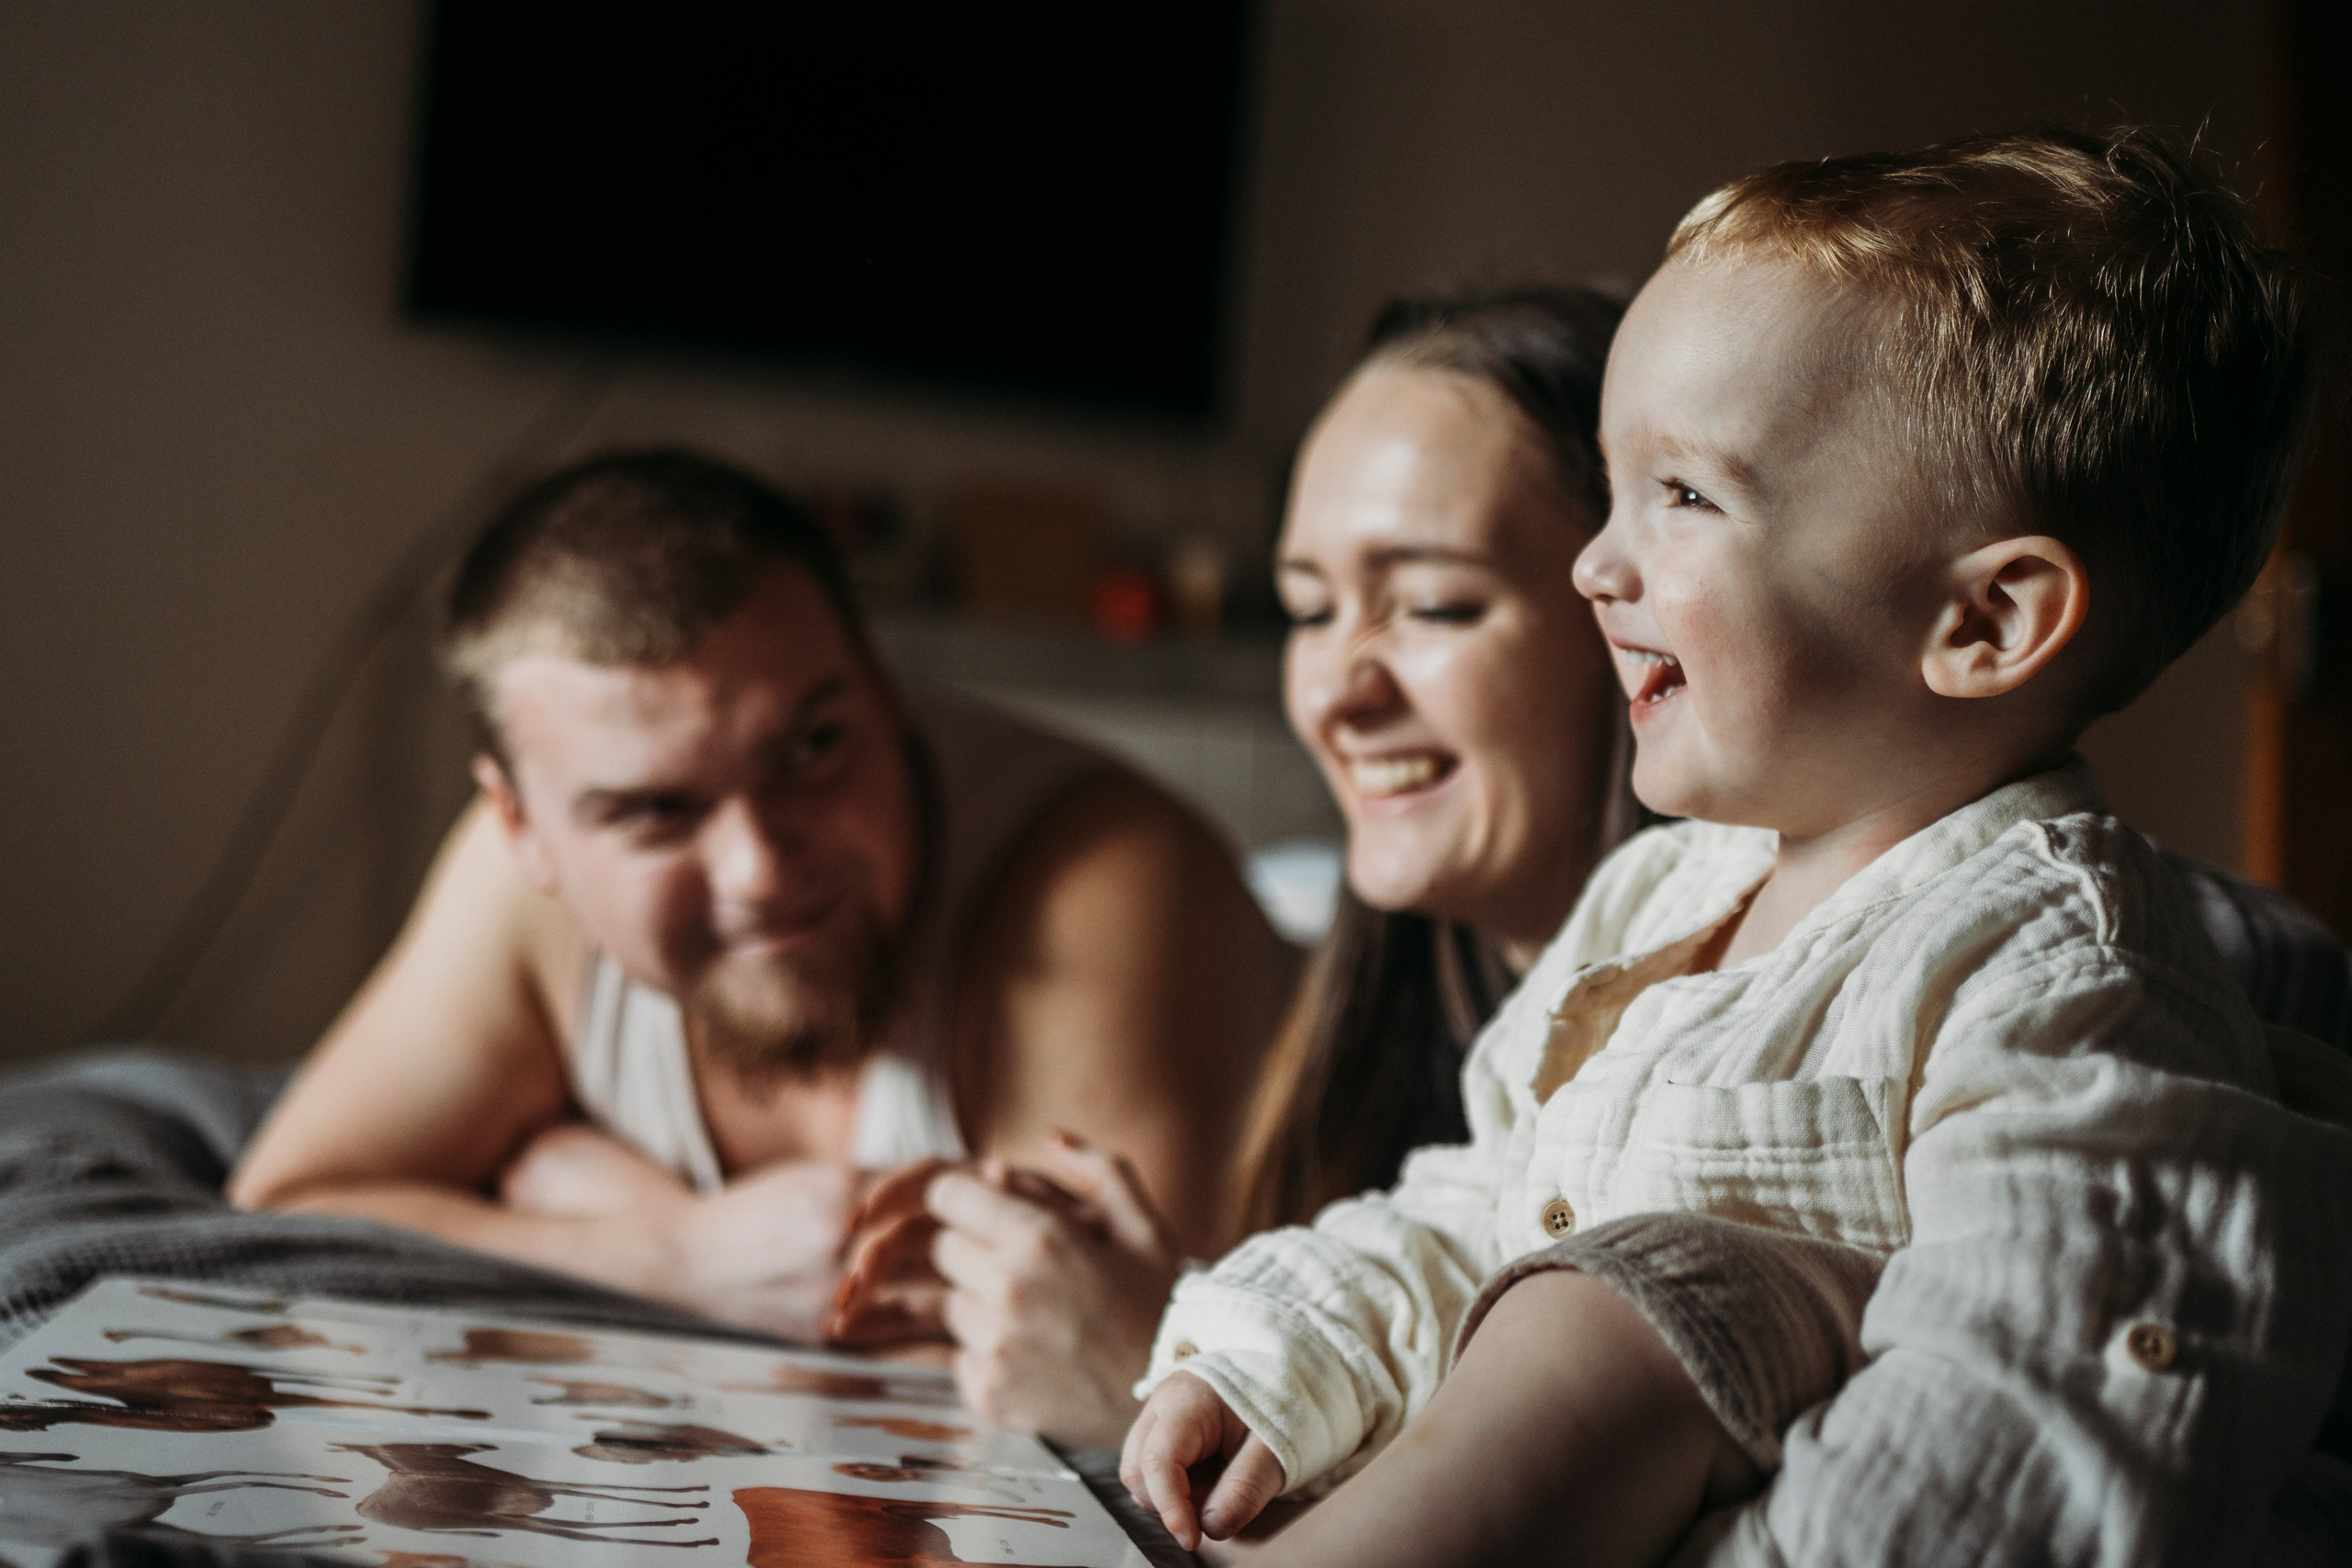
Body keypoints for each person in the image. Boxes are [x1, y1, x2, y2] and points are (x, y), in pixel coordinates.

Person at [1123, 126, 2352, 1567]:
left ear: (1985, 623)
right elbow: (1479, 1196)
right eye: (1609, 486)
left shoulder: (2071, 976)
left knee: (1624, 1309)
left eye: (1684, 496)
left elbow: (2018, 1434)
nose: (1598, 562)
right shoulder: (1664, 890)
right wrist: (1278, 1354)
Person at [229, 449, 1295, 1342]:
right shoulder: (514, 885)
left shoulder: (1107, 879)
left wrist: (584, 1183)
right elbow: (292, 1203)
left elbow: (1095, 1363)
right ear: (524, 829)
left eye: (814, 748)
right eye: (655, 812)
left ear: (886, 686)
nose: (762, 870)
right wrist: (667, 1250)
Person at [828, 288, 1642, 1442]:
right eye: (1308, 611)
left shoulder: (1718, 1086)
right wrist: (1203, 1320)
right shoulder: (1359, 1054)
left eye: (1432, 606)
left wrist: (1149, 1383)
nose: (1339, 694)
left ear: (1641, 617)